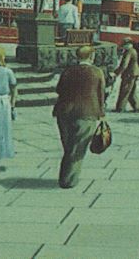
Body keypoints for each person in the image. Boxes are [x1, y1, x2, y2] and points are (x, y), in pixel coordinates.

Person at [53, 45, 106, 188]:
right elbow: (101, 94)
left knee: (69, 146)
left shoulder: (68, 71)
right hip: (87, 113)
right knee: (78, 148)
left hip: (64, 112)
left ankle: (66, 176)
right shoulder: (97, 72)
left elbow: (59, 89)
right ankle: (68, 180)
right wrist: (101, 113)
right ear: (91, 56)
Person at [114, 38, 139, 112]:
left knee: (125, 91)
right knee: (131, 91)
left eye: (124, 45)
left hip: (129, 74)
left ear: (129, 44)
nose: (123, 46)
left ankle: (120, 108)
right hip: (133, 73)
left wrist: (116, 73)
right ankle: (138, 108)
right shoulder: (132, 50)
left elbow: (124, 65)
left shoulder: (129, 52)